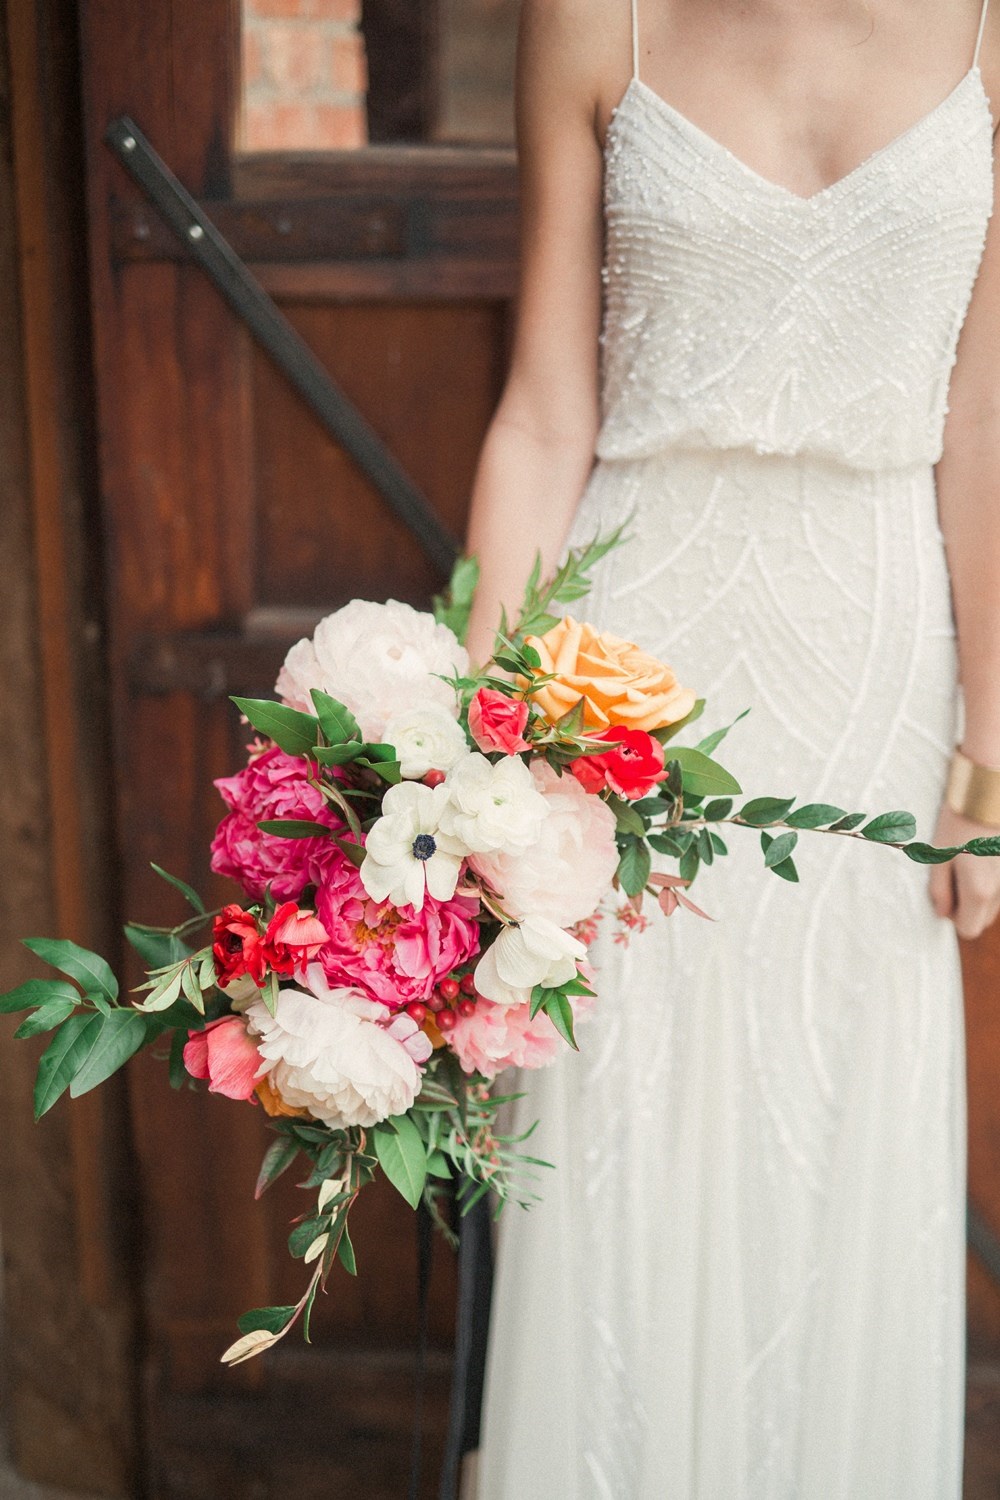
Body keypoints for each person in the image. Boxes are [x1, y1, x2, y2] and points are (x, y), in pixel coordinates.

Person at [458, 1, 1000, 1496]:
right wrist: (469, 759)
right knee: (619, 1136)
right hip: (626, 662)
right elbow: (545, 413)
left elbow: (988, 413)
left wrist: (993, 743)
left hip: (879, 660)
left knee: (839, 1135)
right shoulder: (590, 17)